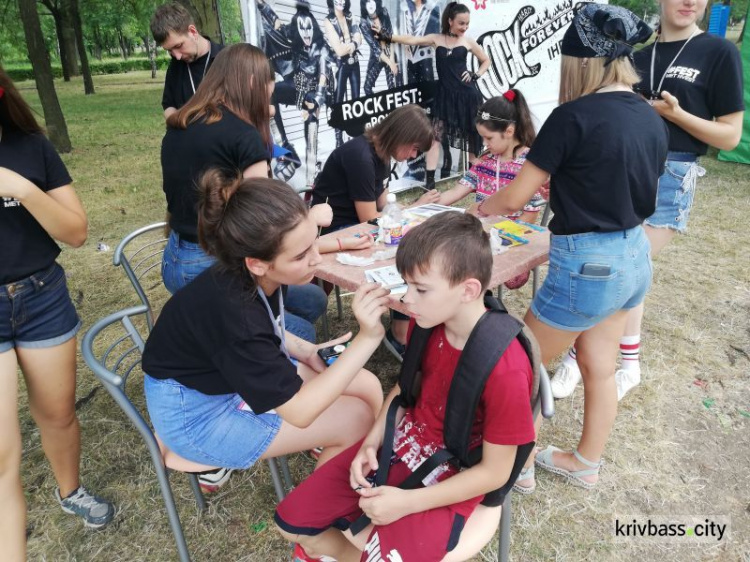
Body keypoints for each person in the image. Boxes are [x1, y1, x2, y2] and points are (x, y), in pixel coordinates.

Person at [468, 4, 666, 491]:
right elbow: (629, 182)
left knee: (520, 364)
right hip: (632, 255)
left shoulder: (571, 115)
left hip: (588, 265)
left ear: (580, 61)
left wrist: (475, 213)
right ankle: (586, 464)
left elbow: (515, 197)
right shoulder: (649, 113)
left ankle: (521, 466)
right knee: (600, 368)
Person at [274, 212, 536, 562]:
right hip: (405, 445)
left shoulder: (505, 368)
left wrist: (408, 503)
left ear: (468, 289)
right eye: (405, 285)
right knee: (290, 525)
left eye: (420, 289)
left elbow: (495, 472)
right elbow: (404, 390)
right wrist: (371, 441)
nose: (406, 300)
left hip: (453, 475)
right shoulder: (428, 322)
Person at [550, 0, 745, 401]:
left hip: (673, 173)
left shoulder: (717, 50)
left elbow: (729, 136)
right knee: (624, 270)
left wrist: (675, 116)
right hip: (622, 170)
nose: (689, 2)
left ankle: (579, 358)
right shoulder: (635, 54)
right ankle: (626, 363)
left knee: (619, 268)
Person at [142, 173, 386, 488]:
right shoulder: (235, 313)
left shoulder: (251, 273)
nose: (315, 259)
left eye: (315, 240)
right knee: (356, 418)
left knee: (366, 385)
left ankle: (372, 456)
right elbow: (299, 411)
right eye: (300, 255)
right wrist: (368, 339)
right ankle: (317, 515)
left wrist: (308, 350)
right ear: (257, 263)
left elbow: (267, 329)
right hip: (196, 417)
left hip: (223, 377)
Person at [0, 68, 114, 560]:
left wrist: (22, 190)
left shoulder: (31, 147)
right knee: (3, 454)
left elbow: (76, 232)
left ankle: (70, 492)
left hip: (41, 295)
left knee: (57, 413)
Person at [160, 43, 328, 348]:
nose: (272, 90)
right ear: (252, 82)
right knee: (301, 333)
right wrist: (311, 219)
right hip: (214, 262)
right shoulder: (243, 135)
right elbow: (262, 221)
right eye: (269, 82)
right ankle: (252, 372)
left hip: (175, 258)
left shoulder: (181, 123)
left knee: (313, 299)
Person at [310, 104, 440, 359]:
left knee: (407, 242)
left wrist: (405, 211)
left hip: (354, 225)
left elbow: (382, 202)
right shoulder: (360, 157)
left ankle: (402, 326)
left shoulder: (380, 152)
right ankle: (401, 332)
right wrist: (413, 209)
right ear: (401, 136)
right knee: (401, 251)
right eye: (414, 148)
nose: (414, 155)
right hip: (335, 228)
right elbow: (369, 217)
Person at [437, 90, 549, 288]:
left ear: (509, 131)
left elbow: (529, 216)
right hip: (480, 241)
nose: (484, 144)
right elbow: (455, 192)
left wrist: (497, 239)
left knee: (460, 271)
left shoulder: (529, 166)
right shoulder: (486, 161)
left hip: (511, 245)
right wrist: (421, 206)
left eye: (488, 138)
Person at [376, 1, 490, 190]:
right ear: (450, 21)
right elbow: (412, 40)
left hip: (468, 97)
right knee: (435, 138)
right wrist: (388, 36)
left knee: (473, 138)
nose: (465, 27)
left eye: (467, 23)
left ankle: (473, 180)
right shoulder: (436, 38)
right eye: (461, 23)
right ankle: (430, 183)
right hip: (445, 97)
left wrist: (475, 74)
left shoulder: (468, 41)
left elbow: (485, 60)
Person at [258, 0, 332, 186]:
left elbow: (323, 77)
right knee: (270, 92)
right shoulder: (293, 42)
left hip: (313, 91)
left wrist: (316, 100)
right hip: (296, 87)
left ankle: (312, 175)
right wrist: (261, 5)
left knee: (311, 121)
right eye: (302, 29)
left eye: (309, 29)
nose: (306, 33)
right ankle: (285, 148)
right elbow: (275, 23)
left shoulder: (320, 48)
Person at [150, 2, 224, 119]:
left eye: (178, 46)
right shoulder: (175, 66)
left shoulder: (229, 59)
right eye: (169, 50)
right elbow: (169, 105)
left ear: (193, 32)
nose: (177, 56)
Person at [324, 0, 363, 148]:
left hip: (355, 64)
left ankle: (356, 135)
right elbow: (339, 50)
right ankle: (338, 140)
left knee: (356, 101)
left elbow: (360, 39)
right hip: (340, 66)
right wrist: (354, 44)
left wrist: (352, 44)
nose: (340, 1)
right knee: (338, 103)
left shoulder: (350, 16)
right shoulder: (329, 20)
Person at [359, 0, 400, 96]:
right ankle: (380, 106)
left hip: (389, 53)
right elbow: (375, 47)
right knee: (367, 87)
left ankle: (395, 109)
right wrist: (390, 63)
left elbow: (391, 36)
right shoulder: (364, 22)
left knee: (393, 87)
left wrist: (392, 60)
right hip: (378, 57)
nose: (370, 4)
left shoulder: (384, 12)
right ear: (364, 4)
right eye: (367, 2)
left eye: (372, 1)